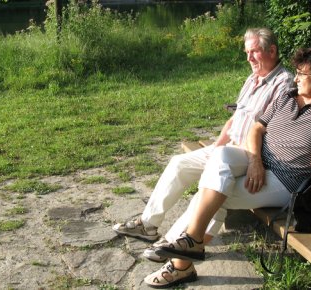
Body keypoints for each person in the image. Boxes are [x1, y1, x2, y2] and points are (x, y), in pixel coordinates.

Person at [143, 45, 311, 288]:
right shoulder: (288, 96)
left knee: (214, 193)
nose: (295, 78)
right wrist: (255, 161)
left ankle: (181, 259)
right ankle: (188, 244)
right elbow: (257, 128)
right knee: (219, 158)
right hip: (259, 162)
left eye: (302, 74)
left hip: (287, 182)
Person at [113, 27, 294, 261]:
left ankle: (175, 242)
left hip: (252, 153)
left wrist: (253, 160)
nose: (249, 58)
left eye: (255, 52)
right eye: (246, 52)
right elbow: (234, 119)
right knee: (179, 163)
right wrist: (216, 147)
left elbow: (270, 129)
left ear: (272, 50)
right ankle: (148, 225)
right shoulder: (253, 79)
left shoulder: (284, 83)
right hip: (230, 150)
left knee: (212, 185)